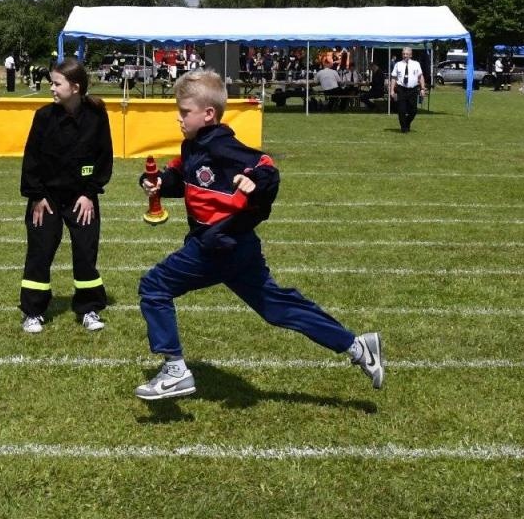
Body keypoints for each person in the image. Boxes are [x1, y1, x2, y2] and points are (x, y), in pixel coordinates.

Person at [133, 70, 382, 400]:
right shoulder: (193, 145)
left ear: (208, 114)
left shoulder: (221, 144)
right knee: (277, 308)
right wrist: (159, 183)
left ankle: (176, 370)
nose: (179, 118)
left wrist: (256, 182)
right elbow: (184, 178)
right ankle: (357, 346)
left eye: (184, 112)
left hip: (216, 245)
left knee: (154, 286)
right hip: (238, 247)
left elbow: (265, 166)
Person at [18, 57, 113, 334]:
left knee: (85, 252)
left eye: (56, 84)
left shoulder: (97, 116)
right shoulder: (43, 116)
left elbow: (103, 158)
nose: (51, 88)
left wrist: (89, 194)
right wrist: (37, 196)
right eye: (51, 83)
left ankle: (89, 308)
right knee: (40, 252)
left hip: (81, 198)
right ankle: (33, 311)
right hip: (45, 198)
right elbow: (31, 160)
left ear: (75, 87)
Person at [390, 47, 426, 132]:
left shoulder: (416, 64)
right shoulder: (398, 64)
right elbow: (394, 78)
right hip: (401, 89)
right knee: (401, 110)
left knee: (413, 110)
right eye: (403, 54)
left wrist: (422, 88)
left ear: (411, 55)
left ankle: (407, 122)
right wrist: (392, 90)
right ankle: (404, 128)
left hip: (413, 89)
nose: (405, 55)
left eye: (407, 54)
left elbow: (420, 76)